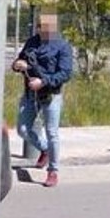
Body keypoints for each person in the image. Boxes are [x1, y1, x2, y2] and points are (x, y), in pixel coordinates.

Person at [12, 13, 75, 188]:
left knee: (52, 132)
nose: (43, 31)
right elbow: (20, 60)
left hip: (50, 94)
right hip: (30, 94)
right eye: (40, 28)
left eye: (47, 28)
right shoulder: (32, 42)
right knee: (23, 129)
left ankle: (53, 171)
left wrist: (43, 81)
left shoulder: (63, 46)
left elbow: (65, 73)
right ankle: (45, 149)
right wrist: (18, 65)